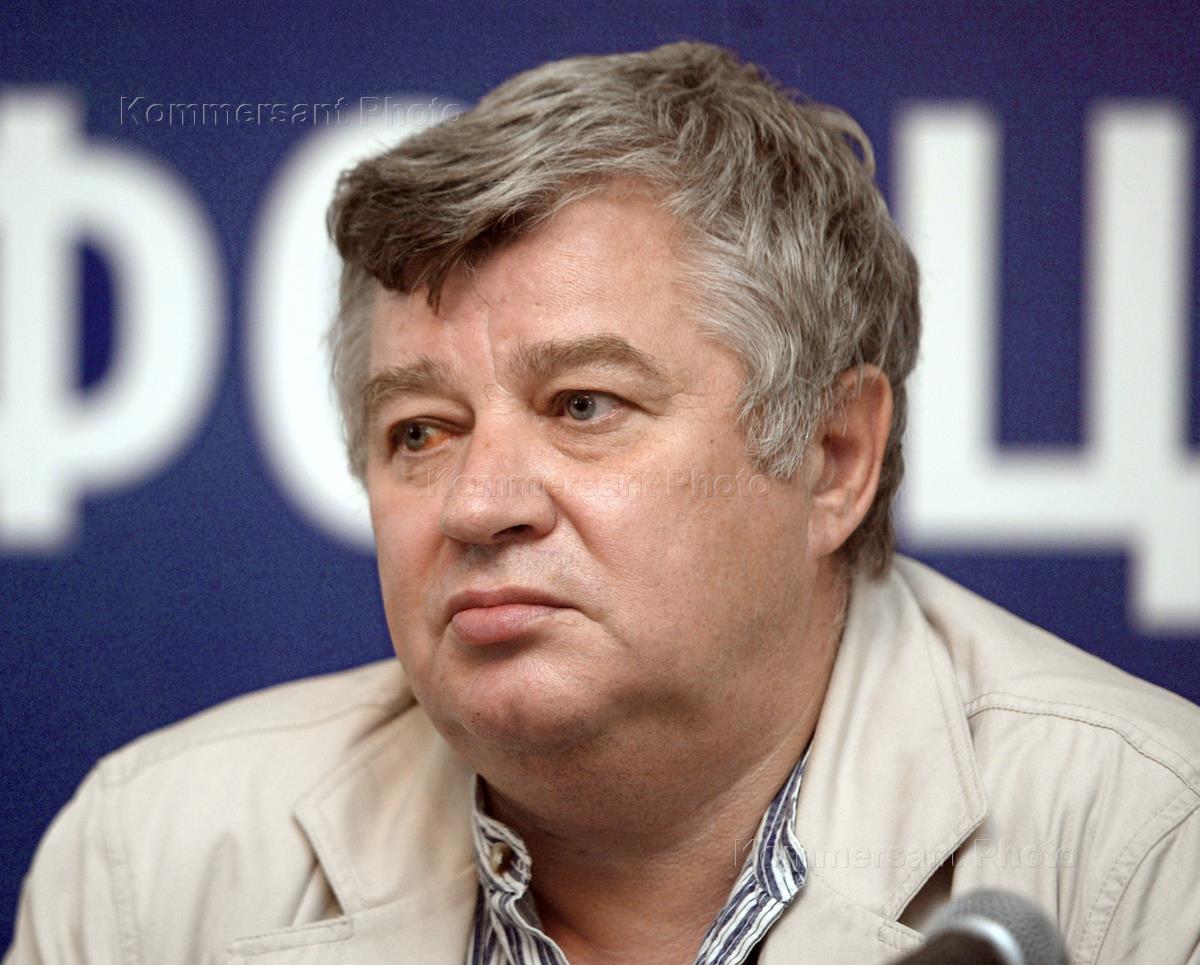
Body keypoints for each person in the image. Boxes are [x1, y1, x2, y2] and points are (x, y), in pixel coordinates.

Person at [7, 41, 1200, 965]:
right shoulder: (148, 865)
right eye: (419, 429)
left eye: (583, 405)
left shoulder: (1154, 847)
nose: (477, 504)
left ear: (834, 454)